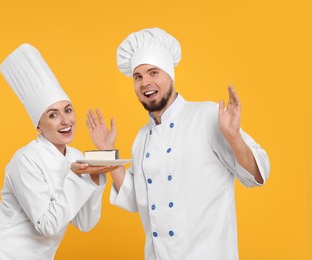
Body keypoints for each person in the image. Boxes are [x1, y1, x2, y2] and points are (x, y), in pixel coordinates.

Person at [87, 27, 270, 260]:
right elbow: (136, 198)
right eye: (138, 76)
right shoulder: (142, 137)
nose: (145, 82)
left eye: (153, 72)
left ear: (170, 75)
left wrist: (234, 137)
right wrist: (107, 152)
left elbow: (257, 174)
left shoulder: (207, 116)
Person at [0, 43, 116, 259]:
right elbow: (47, 225)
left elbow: (85, 223)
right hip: (2, 253)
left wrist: (95, 175)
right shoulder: (25, 161)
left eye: (68, 110)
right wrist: (77, 177)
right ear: (38, 126)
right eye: (53, 115)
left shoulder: (76, 156)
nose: (66, 120)